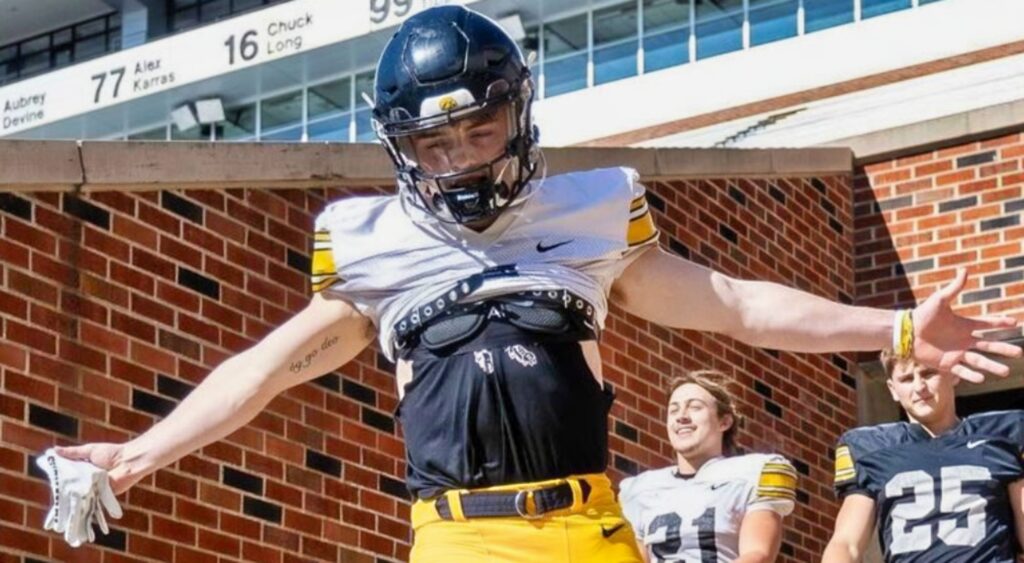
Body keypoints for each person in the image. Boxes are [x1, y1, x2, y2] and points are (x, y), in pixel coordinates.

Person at [43, 6, 1020, 562]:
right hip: (460, 539)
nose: (464, 157)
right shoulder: (370, 242)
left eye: (480, 127)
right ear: (402, 145)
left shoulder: (590, 213)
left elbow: (734, 302)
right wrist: (135, 454)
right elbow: (263, 369)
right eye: (436, 137)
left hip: (590, 523)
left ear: (518, 115)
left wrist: (891, 326)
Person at [822, 350, 1024, 562]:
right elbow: (847, 543)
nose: (919, 387)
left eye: (928, 374)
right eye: (907, 378)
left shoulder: (1003, 435)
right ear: (892, 389)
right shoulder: (871, 448)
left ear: (954, 373)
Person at [620, 370, 797, 563]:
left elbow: (758, 555)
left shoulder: (753, 472)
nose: (682, 417)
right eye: (674, 410)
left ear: (725, 421)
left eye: (695, 407)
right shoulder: (639, 490)